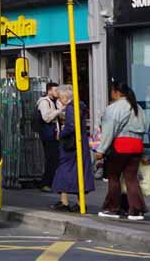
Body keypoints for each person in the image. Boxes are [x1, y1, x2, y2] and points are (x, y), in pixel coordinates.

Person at [96, 82, 147, 221]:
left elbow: (109, 130)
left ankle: (112, 208)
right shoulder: (138, 107)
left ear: (116, 92)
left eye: (111, 91)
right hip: (137, 146)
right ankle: (136, 210)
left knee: (113, 177)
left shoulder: (113, 108)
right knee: (131, 178)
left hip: (121, 145)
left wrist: (101, 149)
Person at [51, 84, 95, 212]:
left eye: (60, 97)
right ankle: (80, 203)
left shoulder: (71, 108)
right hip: (80, 144)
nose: (59, 100)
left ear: (65, 96)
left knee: (64, 171)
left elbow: (71, 126)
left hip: (71, 145)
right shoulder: (80, 105)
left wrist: (61, 134)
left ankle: (64, 202)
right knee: (79, 172)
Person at [36, 82, 63, 192]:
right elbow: (46, 117)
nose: (57, 92)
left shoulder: (56, 102)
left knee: (55, 159)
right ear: (49, 91)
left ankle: (50, 182)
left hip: (55, 134)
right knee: (51, 159)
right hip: (48, 134)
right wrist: (59, 111)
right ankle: (45, 183)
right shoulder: (44, 102)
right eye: (55, 90)